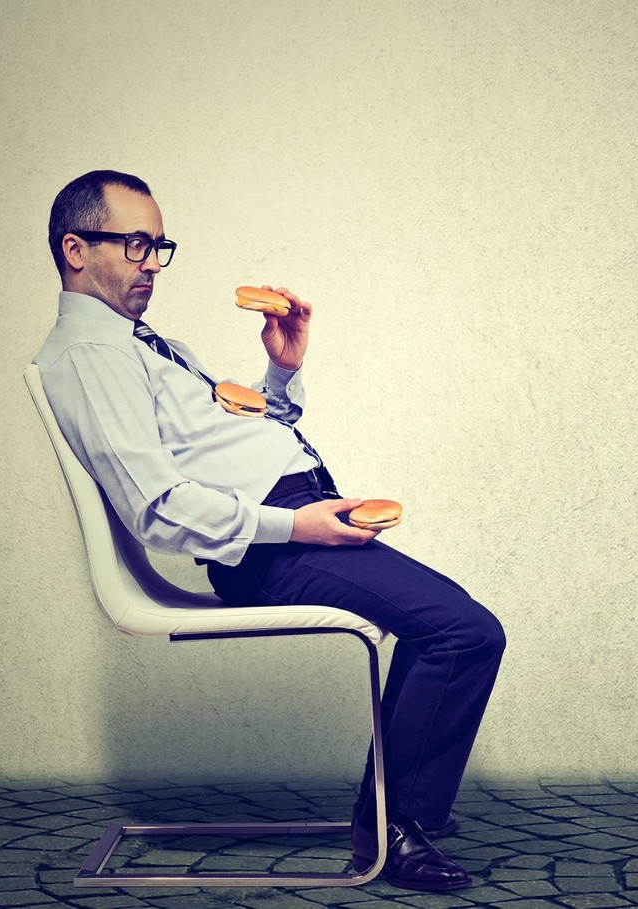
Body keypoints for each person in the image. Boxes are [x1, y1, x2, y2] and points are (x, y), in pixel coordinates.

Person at [32, 170, 505, 892]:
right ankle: (393, 830)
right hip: (267, 546)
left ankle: (406, 808)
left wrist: (281, 372)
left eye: (159, 245)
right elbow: (155, 506)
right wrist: (296, 526)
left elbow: (237, 438)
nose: (152, 263)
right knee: (463, 631)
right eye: (134, 244)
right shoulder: (90, 356)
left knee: (455, 622)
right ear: (74, 248)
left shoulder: (150, 345)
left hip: (296, 522)